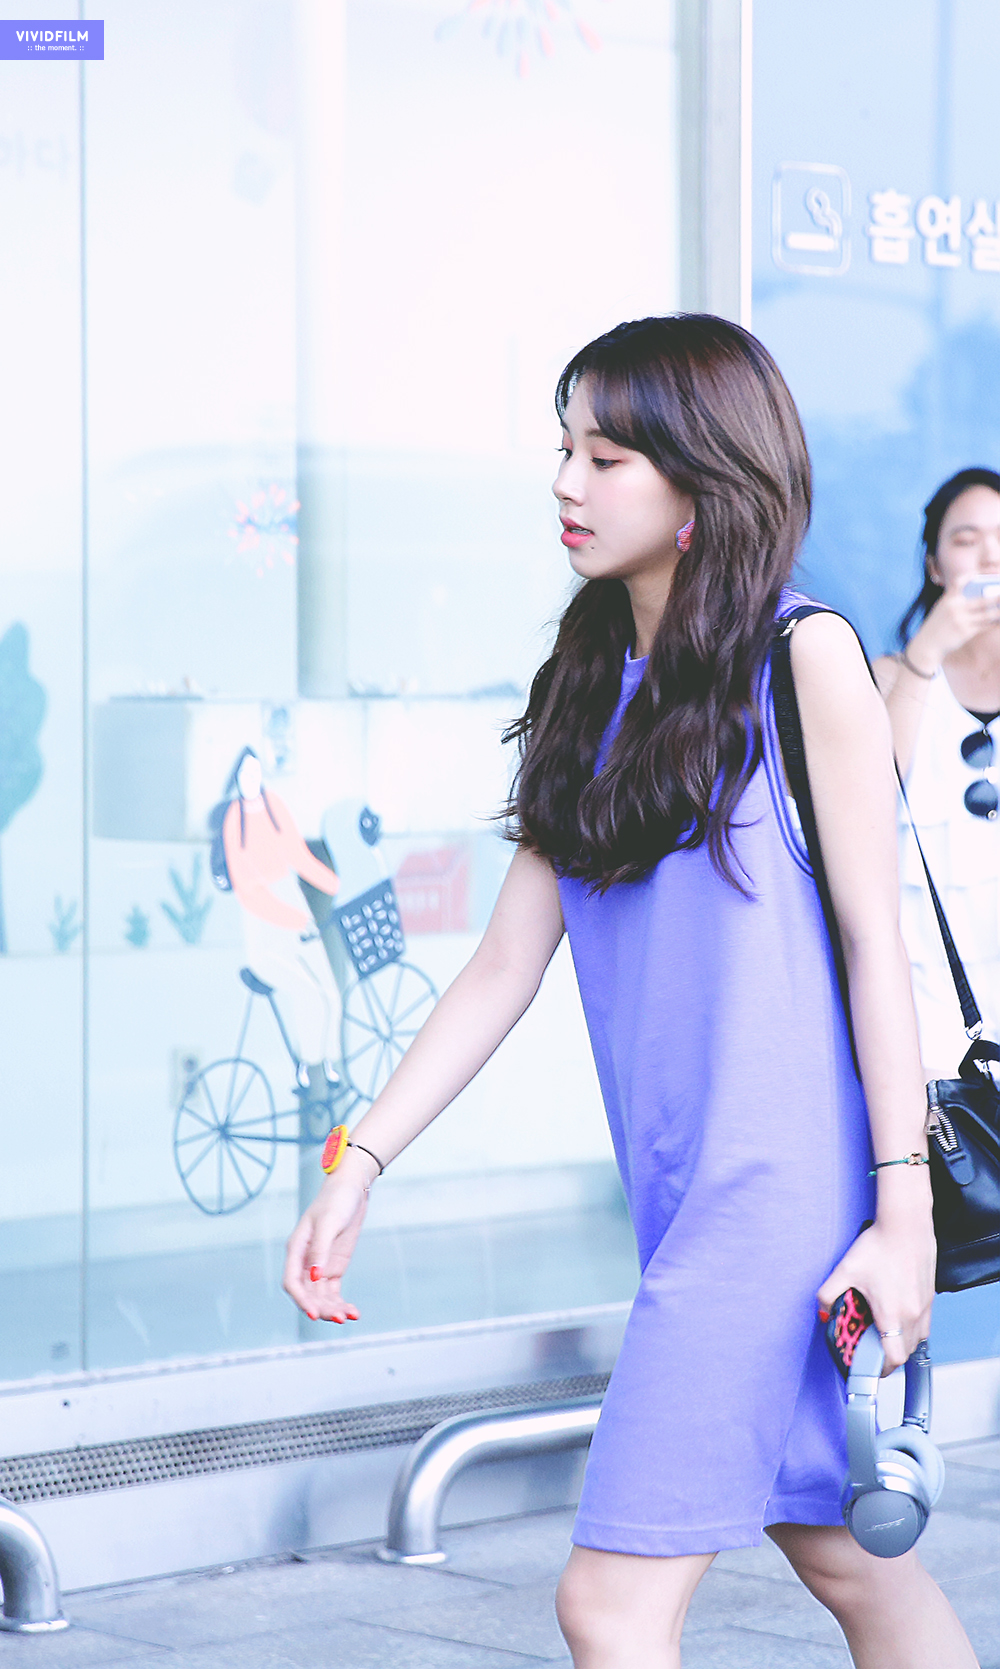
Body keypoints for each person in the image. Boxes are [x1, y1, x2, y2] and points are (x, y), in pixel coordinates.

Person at [284, 317, 977, 1668]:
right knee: (854, 1563)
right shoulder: (587, 682)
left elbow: (871, 948)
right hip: (680, 1191)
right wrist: (362, 1158)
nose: (566, 483)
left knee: (608, 1605)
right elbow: (504, 964)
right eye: (565, 450)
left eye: (607, 458)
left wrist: (904, 1219)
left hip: (773, 1205)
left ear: (704, 479)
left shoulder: (805, 657)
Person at [874, 469, 1000, 1079]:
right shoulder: (890, 678)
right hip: (928, 1011)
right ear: (934, 566)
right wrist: (926, 653)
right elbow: (869, 796)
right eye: (966, 539)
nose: (990, 556)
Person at [222, 746, 342, 1097]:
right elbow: (248, 891)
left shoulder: (274, 806)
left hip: (292, 902)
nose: (252, 779)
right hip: (264, 923)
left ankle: (331, 1064)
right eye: (246, 773)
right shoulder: (235, 820)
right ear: (236, 777)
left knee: (330, 991)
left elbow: (298, 856)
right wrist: (293, 919)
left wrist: (337, 887)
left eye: (256, 772)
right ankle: (309, 1067)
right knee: (308, 993)